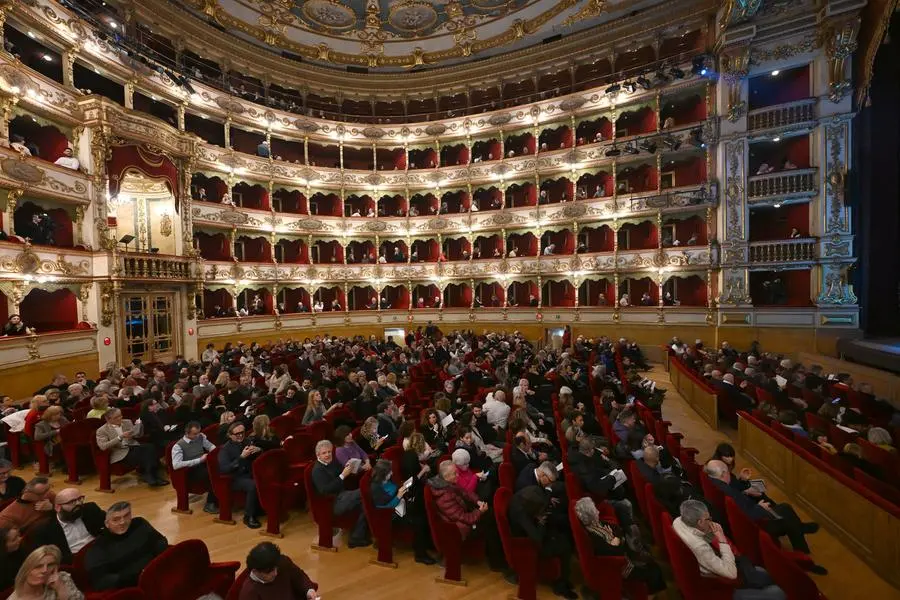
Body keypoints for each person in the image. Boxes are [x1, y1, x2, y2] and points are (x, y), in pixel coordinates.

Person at [704, 460, 824, 571]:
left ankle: (800, 533)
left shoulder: (714, 482)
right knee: (786, 511)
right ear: (724, 473)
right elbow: (744, 515)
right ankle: (803, 554)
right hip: (755, 524)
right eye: (728, 472)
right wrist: (760, 508)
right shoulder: (728, 492)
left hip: (745, 515)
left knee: (784, 511)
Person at [673, 499, 786, 600]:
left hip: (712, 569)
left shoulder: (678, 521)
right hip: (718, 585)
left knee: (762, 573)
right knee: (778, 593)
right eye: (708, 518)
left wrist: (711, 532)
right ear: (700, 522)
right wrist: (721, 539)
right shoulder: (699, 546)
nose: (711, 521)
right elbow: (731, 574)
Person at [574, 497, 666, 597]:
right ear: (591, 514)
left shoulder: (597, 523)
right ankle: (652, 594)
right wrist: (618, 541)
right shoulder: (594, 536)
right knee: (654, 571)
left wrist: (616, 540)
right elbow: (616, 551)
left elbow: (617, 530)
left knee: (650, 561)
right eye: (594, 509)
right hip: (623, 567)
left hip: (625, 554)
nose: (597, 510)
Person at [508, 485, 578, 599]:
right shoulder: (521, 514)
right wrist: (541, 521)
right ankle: (560, 585)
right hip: (528, 543)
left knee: (561, 534)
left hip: (531, 531)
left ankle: (563, 579)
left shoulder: (523, 497)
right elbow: (537, 537)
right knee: (565, 547)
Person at [84, 501, 168, 591]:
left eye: (126, 516)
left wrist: (156, 566)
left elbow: (161, 542)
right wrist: (138, 577)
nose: (122, 522)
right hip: (132, 589)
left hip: (159, 574)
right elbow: (101, 582)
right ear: (106, 524)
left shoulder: (140, 524)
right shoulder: (98, 548)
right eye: (116, 519)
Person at [369, 459, 435, 565]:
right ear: (383, 474)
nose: (392, 473)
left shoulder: (387, 481)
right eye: (389, 472)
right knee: (419, 521)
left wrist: (402, 489)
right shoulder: (376, 488)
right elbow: (384, 507)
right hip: (391, 515)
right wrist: (399, 496)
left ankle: (427, 544)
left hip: (400, 506)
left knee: (423, 511)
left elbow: (394, 491)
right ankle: (420, 554)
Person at [310, 440, 370, 547]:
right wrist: (342, 475)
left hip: (343, 495)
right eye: (324, 453)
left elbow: (340, 472)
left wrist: (347, 467)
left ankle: (356, 537)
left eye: (329, 452)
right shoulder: (317, 470)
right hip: (334, 503)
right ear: (318, 455)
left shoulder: (332, 462)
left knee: (366, 501)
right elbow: (325, 490)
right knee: (365, 491)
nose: (328, 455)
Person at [95, 408, 168, 487]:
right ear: (108, 420)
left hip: (133, 446)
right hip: (120, 452)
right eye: (116, 417)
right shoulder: (101, 430)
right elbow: (103, 446)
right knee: (146, 454)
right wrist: (120, 437)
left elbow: (137, 435)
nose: (120, 418)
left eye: (120, 415)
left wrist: (139, 429)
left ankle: (150, 476)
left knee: (150, 447)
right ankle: (153, 477)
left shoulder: (127, 422)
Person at [30, 488, 105, 564]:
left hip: (101, 550)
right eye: (72, 502)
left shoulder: (90, 509)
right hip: (76, 562)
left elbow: (108, 524)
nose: (78, 504)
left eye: (80, 499)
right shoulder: (45, 530)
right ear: (58, 508)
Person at [427, 460, 489, 540]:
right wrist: (480, 512)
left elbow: (465, 492)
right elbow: (463, 518)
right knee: (489, 526)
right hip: (463, 528)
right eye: (454, 473)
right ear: (446, 477)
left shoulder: (448, 483)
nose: (458, 475)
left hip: (467, 512)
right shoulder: (445, 497)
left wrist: (477, 501)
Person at [218, 421, 263, 529]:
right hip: (234, 478)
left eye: (242, 432)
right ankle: (248, 516)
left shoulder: (247, 441)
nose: (240, 435)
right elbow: (224, 469)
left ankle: (262, 508)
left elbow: (255, 456)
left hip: (249, 473)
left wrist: (258, 450)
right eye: (237, 434)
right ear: (230, 435)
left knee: (265, 478)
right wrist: (241, 457)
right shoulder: (225, 449)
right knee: (252, 485)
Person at [238, 542, 318, 600]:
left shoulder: (282, 562)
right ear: (255, 571)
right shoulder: (249, 593)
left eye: (276, 568)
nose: (275, 573)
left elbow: (299, 577)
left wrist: (309, 590)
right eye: (269, 572)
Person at [171, 421, 219, 514]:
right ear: (187, 433)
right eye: (195, 434)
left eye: (198, 432)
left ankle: (219, 497)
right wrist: (199, 460)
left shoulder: (200, 437)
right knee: (212, 474)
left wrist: (213, 452)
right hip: (190, 471)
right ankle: (210, 503)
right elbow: (176, 465)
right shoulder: (178, 446)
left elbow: (211, 446)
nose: (198, 436)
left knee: (220, 468)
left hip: (203, 465)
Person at [8, 545, 82, 600]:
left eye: (50, 565)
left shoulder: (62, 578)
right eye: (38, 566)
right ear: (26, 569)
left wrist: (60, 589)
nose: (44, 570)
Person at [0, 526, 25, 591]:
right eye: (14, 539)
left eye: (18, 535)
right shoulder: (3, 565)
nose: (20, 539)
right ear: (4, 545)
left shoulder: (21, 550)